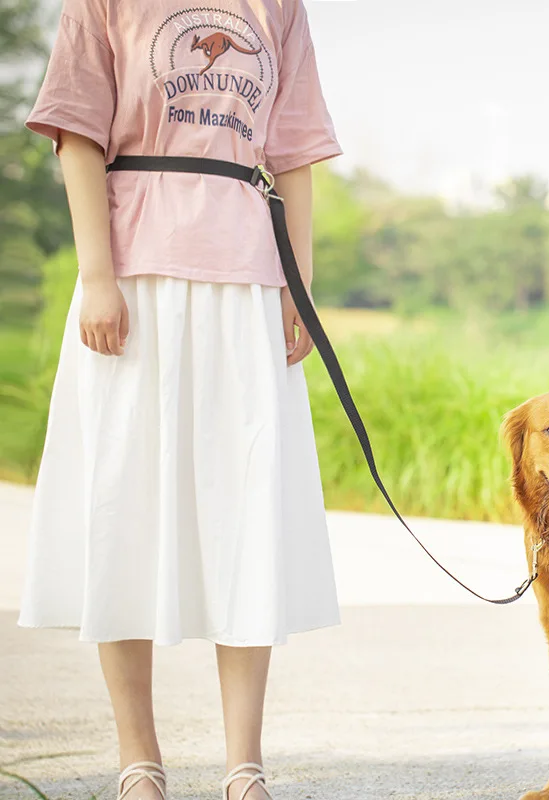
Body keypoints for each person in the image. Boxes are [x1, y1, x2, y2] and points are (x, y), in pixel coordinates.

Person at [21, 2, 342, 798]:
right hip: (134, 275)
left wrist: (299, 287)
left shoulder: (277, 7)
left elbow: (294, 153)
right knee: (121, 504)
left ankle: (244, 766)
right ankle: (139, 761)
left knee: (247, 510)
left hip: (246, 278)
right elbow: (78, 137)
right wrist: (97, 276)